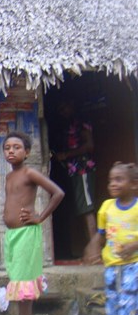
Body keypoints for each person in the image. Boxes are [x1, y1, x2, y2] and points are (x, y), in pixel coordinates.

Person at [2, 131, 65, 315]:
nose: (11, 150)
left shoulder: (30, 173)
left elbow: (57, 193)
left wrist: (40, 217)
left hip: (26, 234)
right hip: (13, 236)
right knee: (18, 282)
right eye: (7, 147)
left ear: (27, 152)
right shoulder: (9, 176)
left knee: (23, 284)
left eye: (17, 147)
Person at [84, 162, 138, 315]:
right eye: (110, 180)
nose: (112, 184)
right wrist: (93, 247)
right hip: (112, 268)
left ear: (134, 184)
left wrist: (134, 245)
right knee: (121, 311)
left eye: (118, 180)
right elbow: (101, 233)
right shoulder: (107, 207)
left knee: (128, 310)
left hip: (134, 267)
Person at [55, 98, 97, 244]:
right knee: (82, 207)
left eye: (64, 108)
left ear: (71, 104)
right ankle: (91, 247)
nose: (62, 112)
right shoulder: (69, 124)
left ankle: (95, 250)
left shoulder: (81, 122)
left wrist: (66, 155)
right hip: (74, 170)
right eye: (60, 110)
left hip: (83, 169)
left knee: (87, 207)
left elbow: (89, 145)